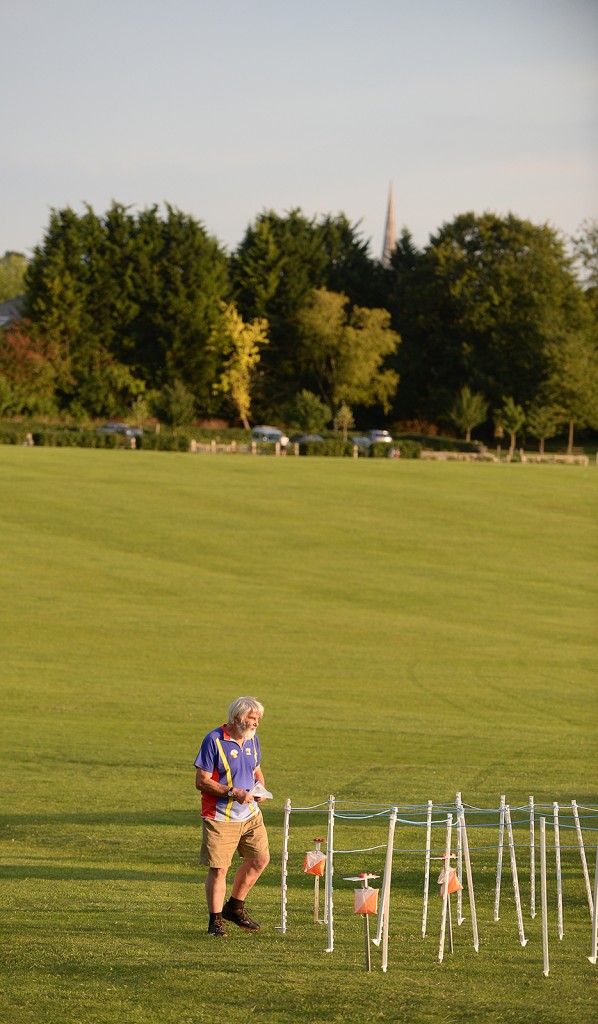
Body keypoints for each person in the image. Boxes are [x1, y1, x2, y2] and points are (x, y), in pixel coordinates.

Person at [194, 696, 270, 937]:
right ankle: (215, 922)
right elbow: (202, 781)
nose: (256, 722)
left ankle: (234, 908)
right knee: (219, 869)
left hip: (250, 815)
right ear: (237, 718)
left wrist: (260, 789)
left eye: (258, 718)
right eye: (252, 718)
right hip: (220, 817)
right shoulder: (214, 740)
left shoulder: (252, 738)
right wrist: (233, 792)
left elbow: (256, 770)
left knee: (259, 860)